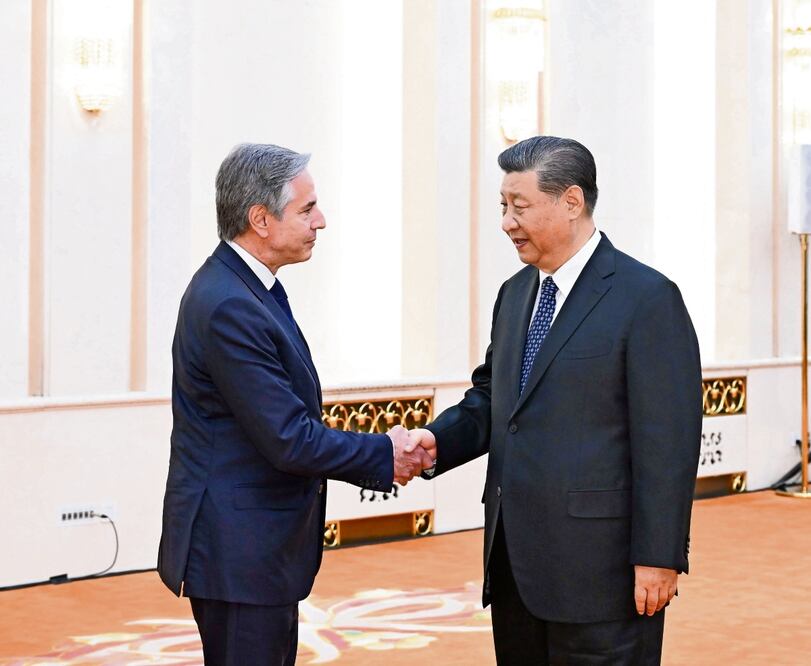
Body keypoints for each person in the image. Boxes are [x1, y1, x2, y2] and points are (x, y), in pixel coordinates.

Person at [409, 136, 702, 664]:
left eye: (518, 206)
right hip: (515, 567)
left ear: (571, 201)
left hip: (603, 578)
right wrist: (435, 441)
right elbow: (496, 400)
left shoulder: (647, 299)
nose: (505, 222)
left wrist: (660, 557)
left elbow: (668, 441)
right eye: (503, 206)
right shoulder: (514, 293)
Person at [158, 143, 433, 665]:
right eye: (307, 209)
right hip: (238, 552)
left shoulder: (247, 288)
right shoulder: (229, 304)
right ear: (260, 219)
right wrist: (386, 454)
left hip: (252, 549)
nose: (321, 221)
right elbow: (288, 438)